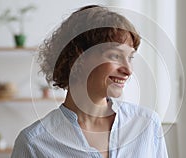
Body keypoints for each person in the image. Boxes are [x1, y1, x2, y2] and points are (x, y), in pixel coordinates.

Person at [11, 5, 168, 158]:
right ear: (77, 57)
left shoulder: (147, 124)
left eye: (130, 57)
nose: (128, 70)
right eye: (115, 56)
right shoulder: (34, 143)